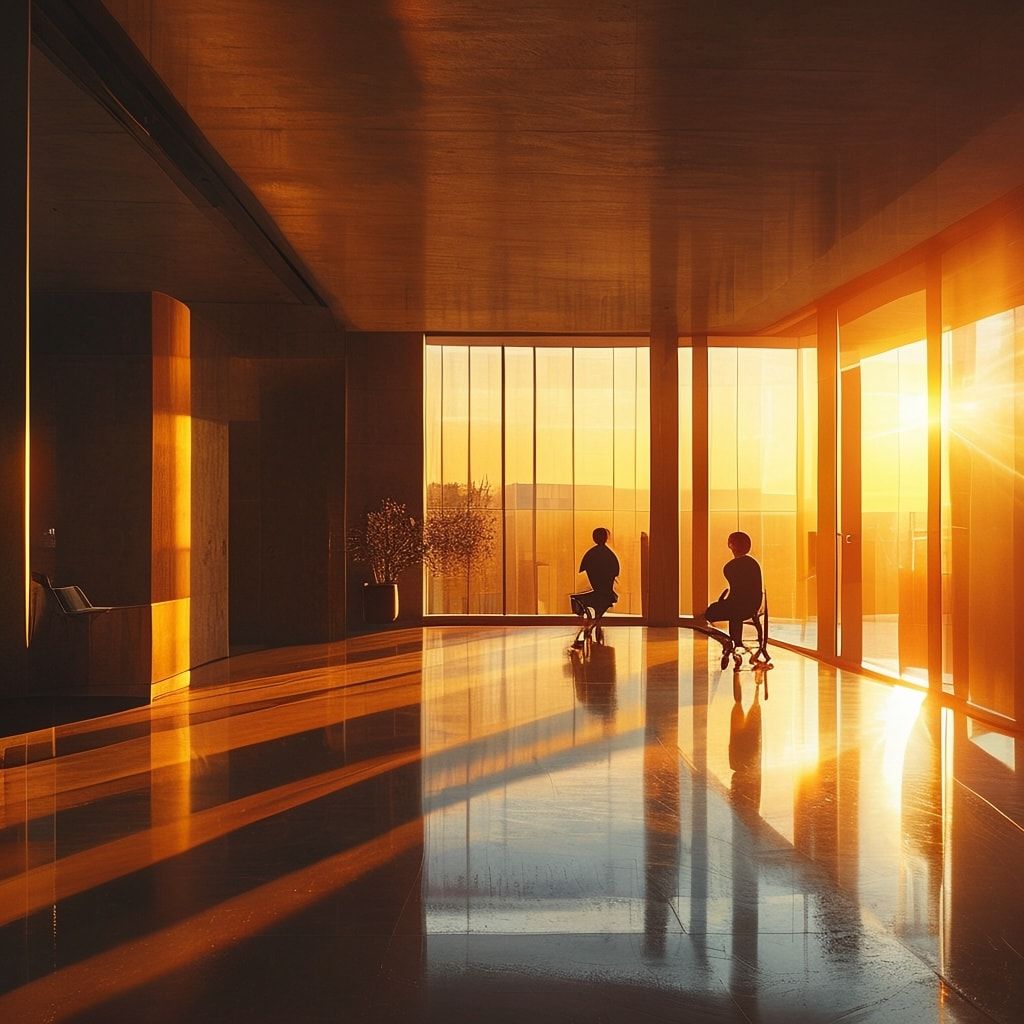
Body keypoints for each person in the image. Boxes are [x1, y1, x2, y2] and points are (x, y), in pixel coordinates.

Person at [700, 531, 762, 653]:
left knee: (711, 612)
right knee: (732, 610)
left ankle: (732, 642)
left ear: (731, 545)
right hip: (753, 604)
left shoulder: (731, 567)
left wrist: (723, 603)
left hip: (739, 606)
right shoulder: (753, 564)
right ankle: (735, 642)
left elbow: (736, 594)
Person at [571, 527, 620, 643]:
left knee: (597, 601)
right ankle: (595, 621)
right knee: (601, 603)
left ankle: (593, 621)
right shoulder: (609, 555)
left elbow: (584, 569)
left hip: (600, 588)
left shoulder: (592, 554)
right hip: (604, 589)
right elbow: (615, 571)